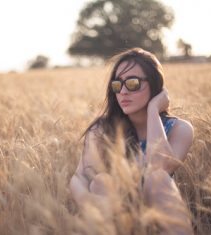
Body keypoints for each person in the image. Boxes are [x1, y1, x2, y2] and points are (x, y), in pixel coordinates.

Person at [70, 48, 194, 234]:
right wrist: (90, 202)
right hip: (117, 216)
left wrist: (153, 110)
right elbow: (80, 177)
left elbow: (160, 165)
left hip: (161, 215)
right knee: (101, 182)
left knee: (157, 178)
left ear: (154, 85)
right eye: (117, 85)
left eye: (133, 83)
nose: (124, 92)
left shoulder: (179, 129)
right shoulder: (102, 130)